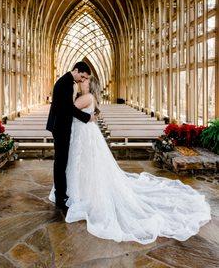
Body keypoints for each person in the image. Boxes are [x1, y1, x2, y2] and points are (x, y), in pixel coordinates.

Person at [49, 76, 211, 244]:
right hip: (81, 135)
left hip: (83, 136)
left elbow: (67, 108)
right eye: (81, 79)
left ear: (89, 84)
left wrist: (69, 94)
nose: (80, 82)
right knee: (82, 165)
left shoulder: (85, 97)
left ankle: (81, 193)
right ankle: (77, 191)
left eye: (84, 80)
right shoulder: (85, 97)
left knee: (83, 164)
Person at [46, 61, 96, 212]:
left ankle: (61, 193)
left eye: (85, 78)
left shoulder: (67, 81)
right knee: (61, 163)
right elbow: (69, 109)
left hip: (61, 126)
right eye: (82, 76)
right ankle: (60, 196)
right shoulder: (65, 83)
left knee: (62, 162)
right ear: (76, 70)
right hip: (61, 128)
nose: (82, 79)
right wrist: (87, 118)